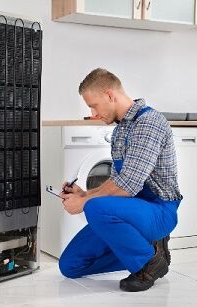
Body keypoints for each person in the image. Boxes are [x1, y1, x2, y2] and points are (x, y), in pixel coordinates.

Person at [58, 68, 183, 292]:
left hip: (159, 211)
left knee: (95, 207)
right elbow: (118, 180)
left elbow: (128, 185)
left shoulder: (149, 122)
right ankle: (151, 250)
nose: (93, 113)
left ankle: (149, 264)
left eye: (93, 105)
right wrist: (83, 194)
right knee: (70, 265)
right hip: (134, 209)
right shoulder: (120, 131)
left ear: (110, 95)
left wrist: (85, 202)